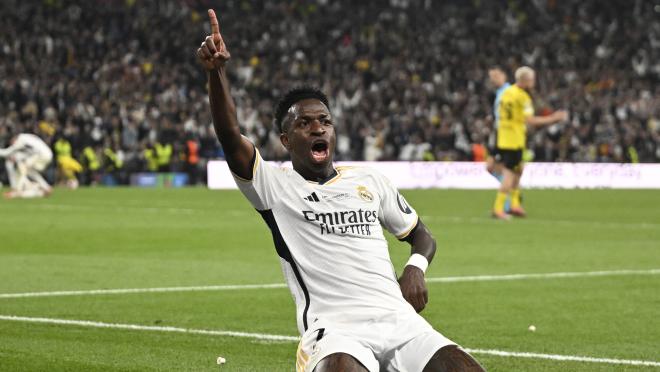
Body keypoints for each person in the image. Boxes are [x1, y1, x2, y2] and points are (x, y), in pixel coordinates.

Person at [197, 9, 484, 372]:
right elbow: (229, 135)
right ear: (286, 140)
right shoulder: (274, 185)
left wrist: (415, 266)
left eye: (325, 121)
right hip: (334, 330)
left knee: (464, 369)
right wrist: (216, 73)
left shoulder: (369, 181)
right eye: (305, 123)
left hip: (399, 321)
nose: (318, 129)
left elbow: (422, 236)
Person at [492, 66, 568, 220]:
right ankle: (498, 208)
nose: (533, 83)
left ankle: (514, 204)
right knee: (510, 174)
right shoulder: (522, 97)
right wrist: (554, 118)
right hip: (514, 140)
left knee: (518, 170)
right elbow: (530, 120)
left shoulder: (507, 92)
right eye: (532, 80)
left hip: (503, 137)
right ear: (526, 80)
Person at [485, 66, 511, 211]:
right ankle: (511, 197)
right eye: (491, 77)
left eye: (495, 75)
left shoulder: (508, 92)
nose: (493, 79)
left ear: (504, 75)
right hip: (497, 134)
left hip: (504, 136)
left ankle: (506, 204)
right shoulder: (499, 93)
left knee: (500, 169)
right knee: (493, 168)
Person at [0, 133, 53, 199]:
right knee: (29, 170)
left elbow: (7, 152)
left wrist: (14, 156)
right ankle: (46, 187)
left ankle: (17, 190)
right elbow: (30, 150)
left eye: (11, 143)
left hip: (41, 155)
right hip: (48, 153)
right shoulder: (25, 136)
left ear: (13, 139)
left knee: (23, 167)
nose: (12, 144)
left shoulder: (19, 141)